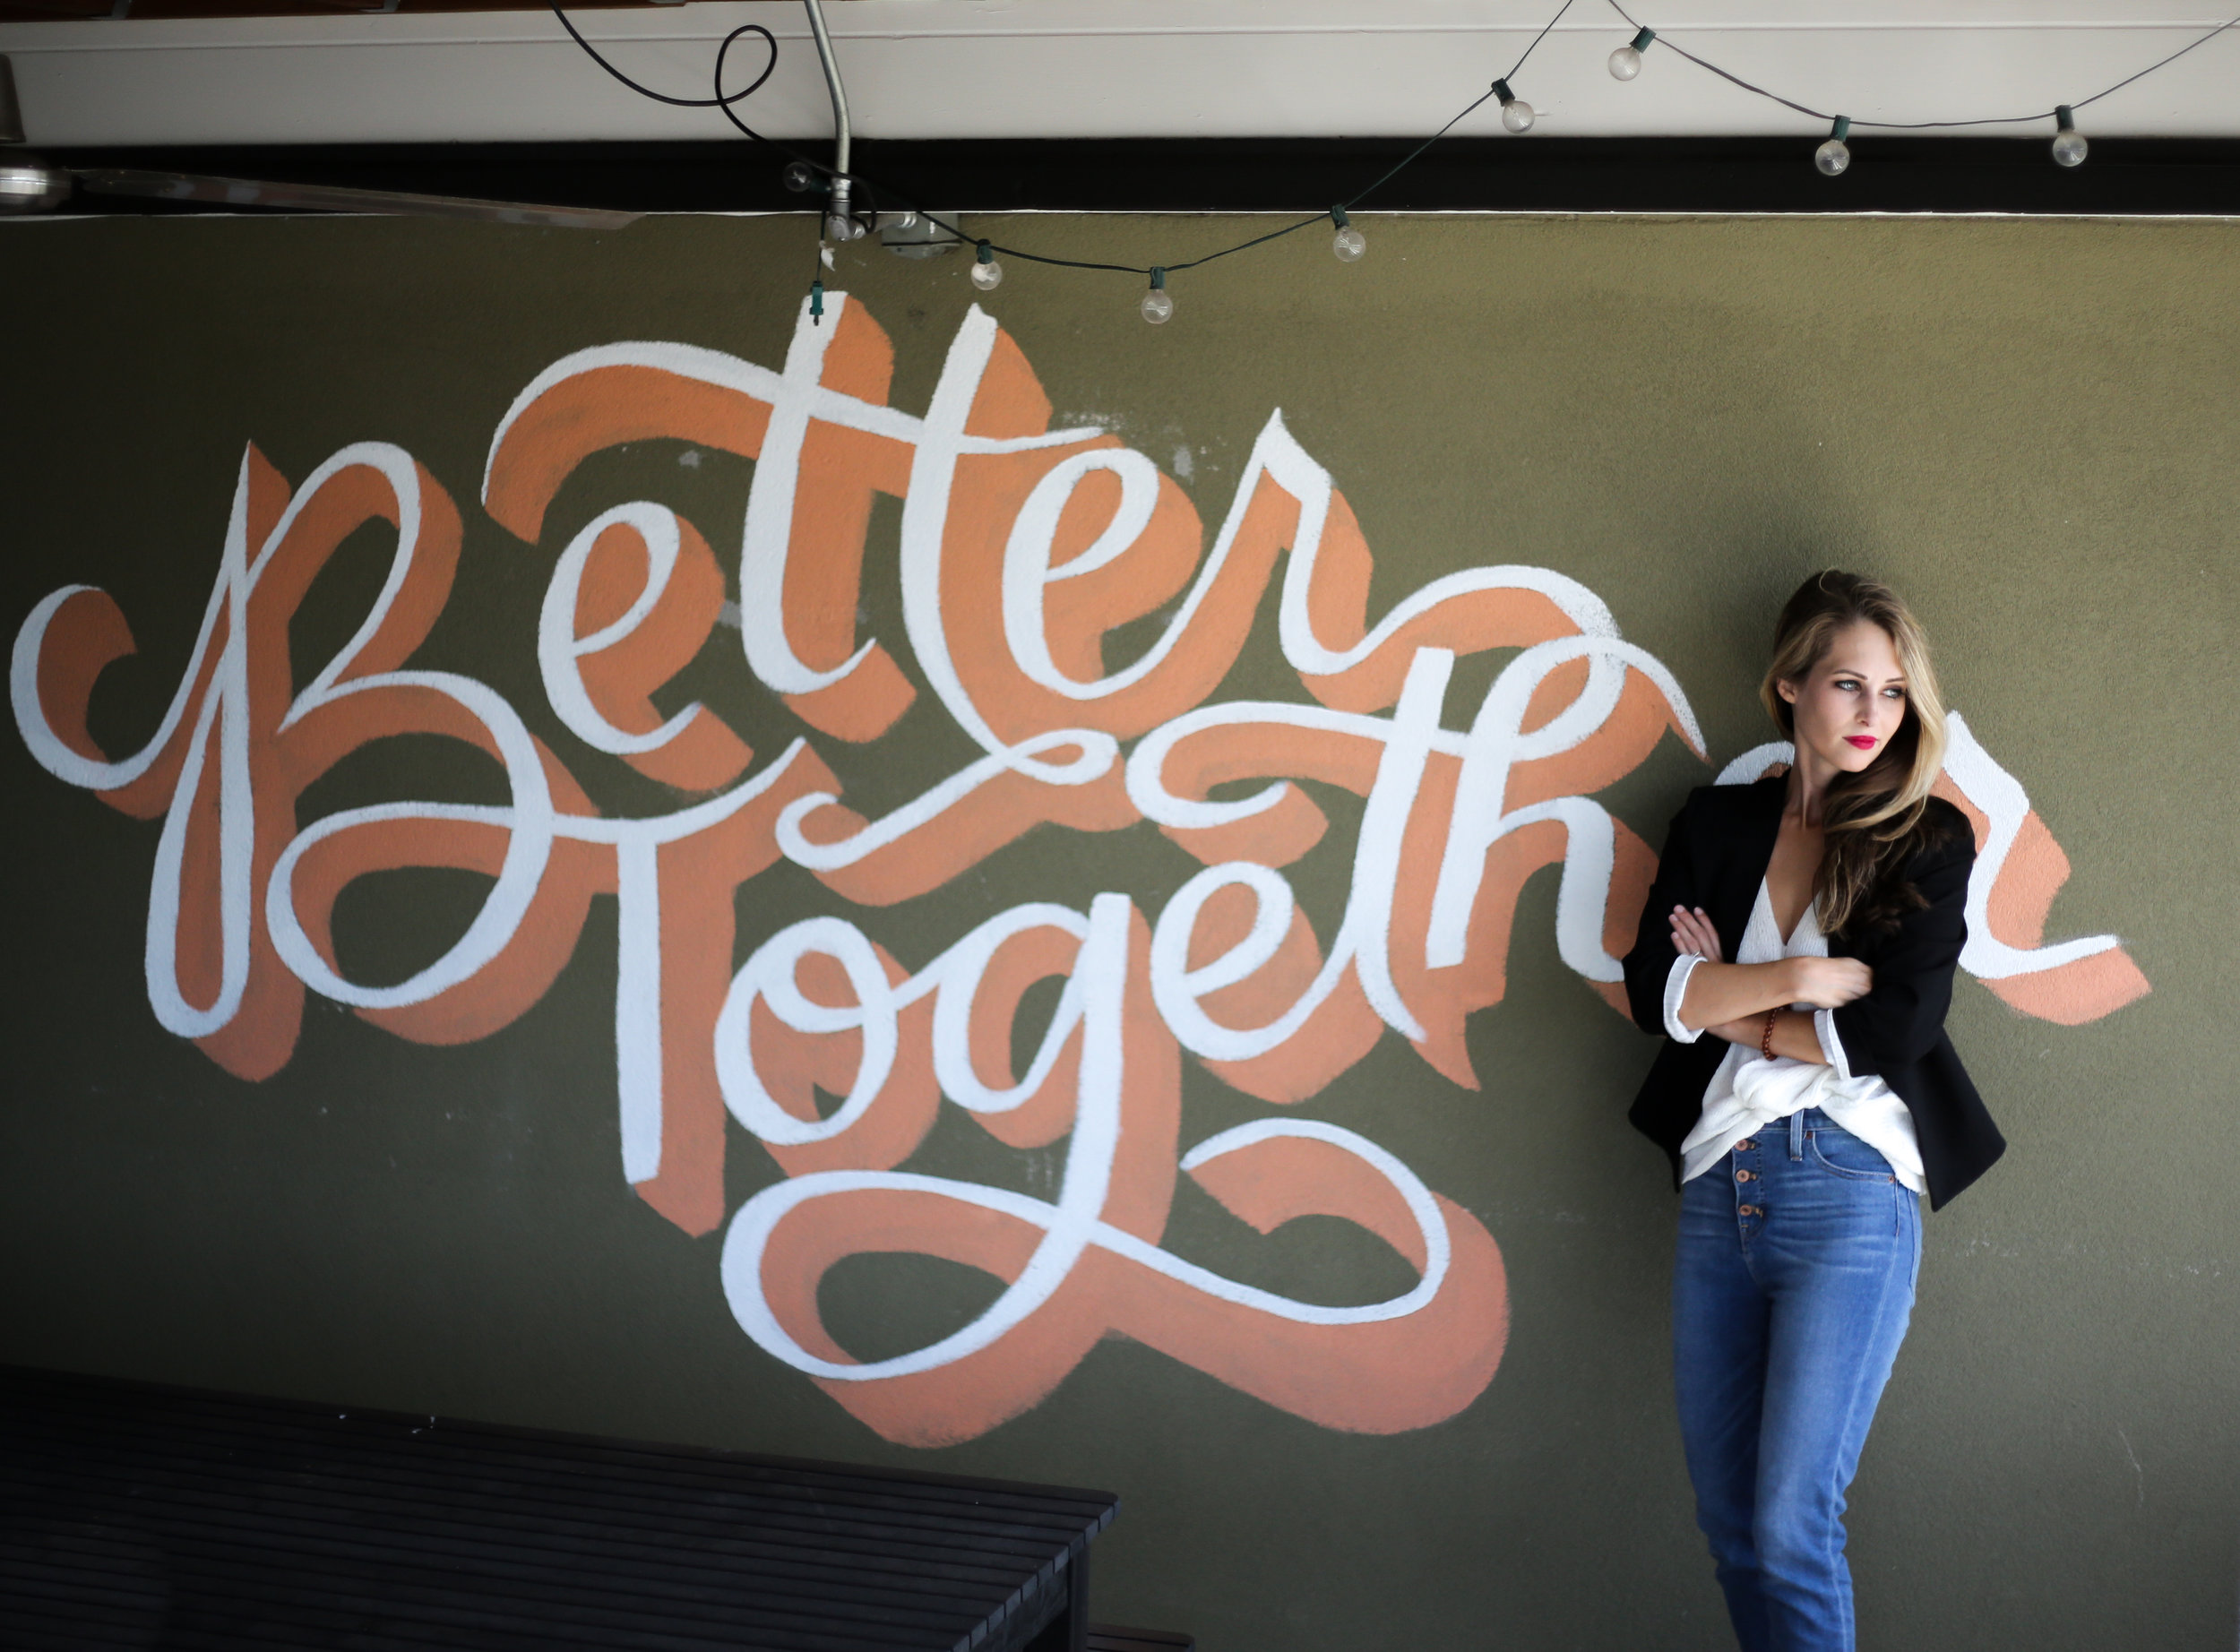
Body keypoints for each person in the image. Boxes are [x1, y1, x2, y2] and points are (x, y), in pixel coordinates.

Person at [1620, 570, 2005, 1652]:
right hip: (1720, 1179)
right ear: (1789, 684)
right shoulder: (1715, 821)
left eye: (1893, 690)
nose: (1873, 712)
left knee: (1792, 1524)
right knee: (1731, 1525)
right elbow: (1651, 991)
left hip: (1847, 1182)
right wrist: (1798, 979)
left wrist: (1728, 1000)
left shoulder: (1927, 835)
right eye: (1847, 683)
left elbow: (1894, 1027)